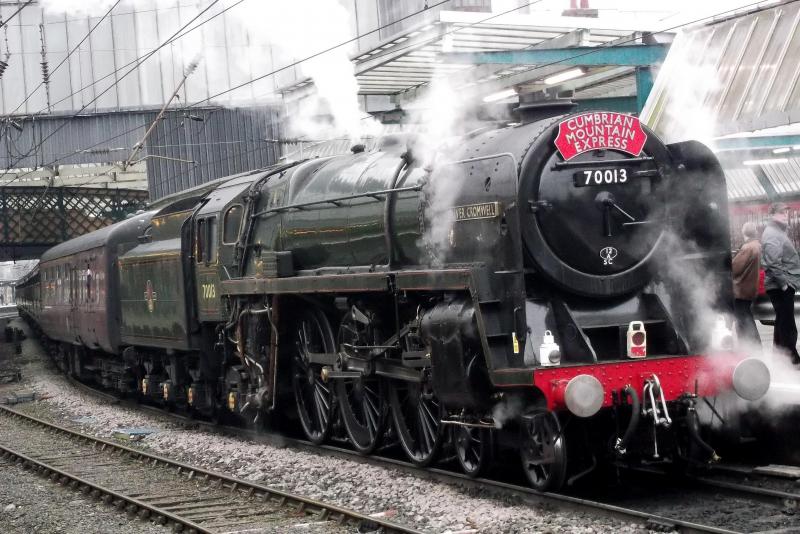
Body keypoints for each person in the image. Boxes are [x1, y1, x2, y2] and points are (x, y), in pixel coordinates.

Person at [762, 202, 800, 364]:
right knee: (787, 324)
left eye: (786, 212)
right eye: (781, 212)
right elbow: (773, 262)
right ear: (772, 215)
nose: (785, 215)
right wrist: (785, 285)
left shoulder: (776, 232)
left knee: (782, 321)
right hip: (780, 286)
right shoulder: (772, 233)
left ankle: (779, 358)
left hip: (780, 284)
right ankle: (792, 359)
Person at [732, 222, 762, 348]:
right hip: (749, 288)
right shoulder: (757, 245)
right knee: (746, 316)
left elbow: (734, 269)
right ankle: (753, 345)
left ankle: (751, 346)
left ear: (743, 232)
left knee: (743, 319)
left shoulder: (747, 248)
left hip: (741, 289)